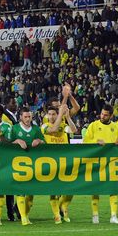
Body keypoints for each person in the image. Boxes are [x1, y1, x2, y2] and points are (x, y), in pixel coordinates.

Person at [83, 105, 118, 224]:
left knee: (113, 188)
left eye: (106, 115)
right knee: (96, 188)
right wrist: (95, 141)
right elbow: (85, 141)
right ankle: (95, 215)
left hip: (111, 161)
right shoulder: (93, 125)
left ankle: (113, 216)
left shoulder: (115, 126)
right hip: (96, 161)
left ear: (111, 115)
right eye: (102, 114)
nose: (103, 116)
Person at [41, 96, 78, 224]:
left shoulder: (63, 125)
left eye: (54, 114)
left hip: (64, 161)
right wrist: (61, 114)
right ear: (47, 115)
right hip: (50, 161)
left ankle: (64, 208)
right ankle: (57, 215)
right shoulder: (44, 126)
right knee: (53, 190)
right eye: (49, 114)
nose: (51, 116)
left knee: (70, 189)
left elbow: (74, 130)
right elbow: (53, 130)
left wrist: (67, 117)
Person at [9, 107, 45, 225]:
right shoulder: (14, 129)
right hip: (18, 165)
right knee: (20, 191)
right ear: (20, 117)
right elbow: (6, 145)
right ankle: (24, 218)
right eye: (25, 117)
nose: (28, 119)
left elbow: (45, 143)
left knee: (30, 195)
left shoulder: (36, 129)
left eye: (29, 116)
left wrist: (39, 141)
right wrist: (17, 141)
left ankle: (24, 215)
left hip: (33, 165)